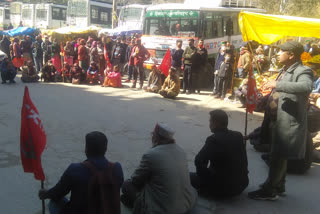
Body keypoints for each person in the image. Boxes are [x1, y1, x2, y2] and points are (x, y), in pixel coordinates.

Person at [248, 41, 314, 200]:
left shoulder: (303, 70)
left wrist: (277, 84)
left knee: (277, 156)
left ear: (291, 55)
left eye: (281, 51)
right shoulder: (285, 69)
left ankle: (269, 190)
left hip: (287, 121)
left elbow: (306, 87)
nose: (277, 54)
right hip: (275, 119)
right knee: (277, 154)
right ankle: (279, 185)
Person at [38, 131, 124, 214]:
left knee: (54, 202)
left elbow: (57, 193)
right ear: (106, 148)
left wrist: (45, 194)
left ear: (86, 149)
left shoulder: (75, 169)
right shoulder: (116, 168)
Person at [121, 123, 197, 214]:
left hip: (165, 210)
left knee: (126, 185)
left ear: (156, 137)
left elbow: (135, 180)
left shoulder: (151, 155)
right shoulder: (181, 151)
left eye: (153, 135)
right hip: (188, 204)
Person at [190, 109, 249, 198]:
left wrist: (204, 178)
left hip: (222, 189)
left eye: (210, 121)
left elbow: (199, 160)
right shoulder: (238, 135)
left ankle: (206, 187)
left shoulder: (214, 139)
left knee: (185, 176)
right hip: (242, 185)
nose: (209, 124)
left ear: (216, 123)